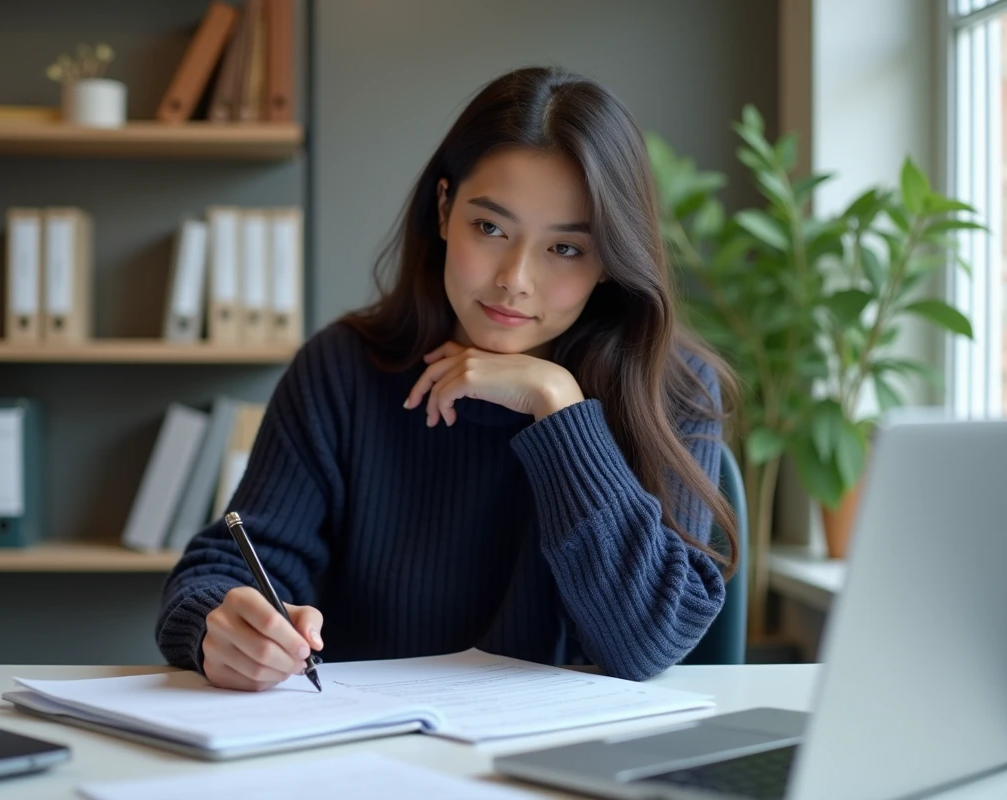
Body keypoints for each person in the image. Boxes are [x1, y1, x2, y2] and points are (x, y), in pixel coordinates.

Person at [156, 65, 739, 692]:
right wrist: (221, 624)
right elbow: (226, 566)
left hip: (567, 767)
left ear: (608, 260)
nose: (515, 278)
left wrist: (560, 407)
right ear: (442, 209)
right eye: (490, 228)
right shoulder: (345, 369)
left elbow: (648, 641)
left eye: (565, 248)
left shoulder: (672, 385)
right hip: (370, 756)